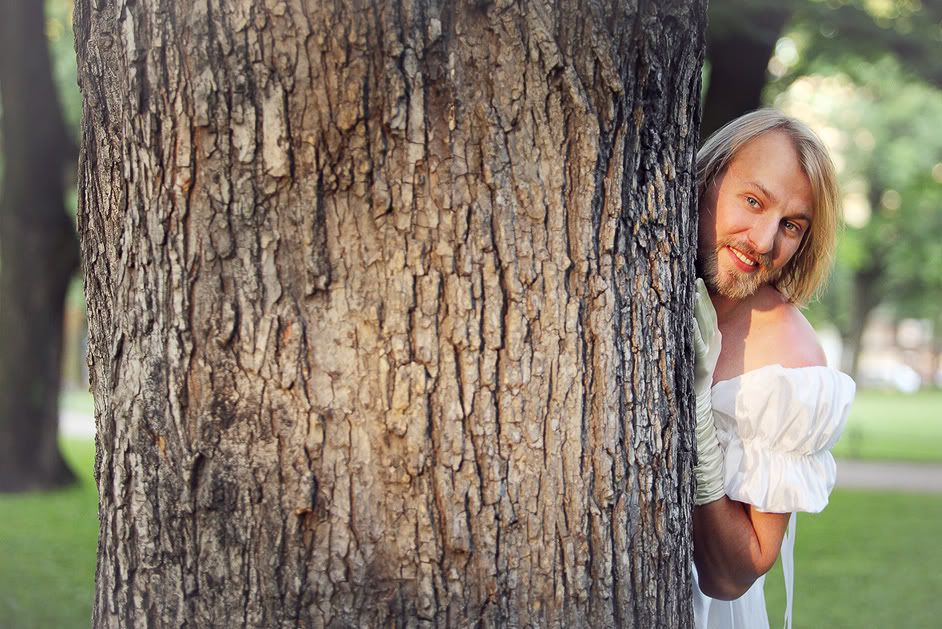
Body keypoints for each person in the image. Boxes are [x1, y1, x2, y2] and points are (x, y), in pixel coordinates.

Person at [690, 109, 856, 629]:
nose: (762, 242)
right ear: (708, 176)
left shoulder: (788, 356)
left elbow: (733, 575)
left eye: (791, 226)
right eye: (753, 201)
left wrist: (695, 417)